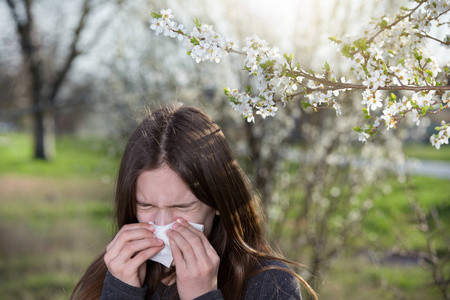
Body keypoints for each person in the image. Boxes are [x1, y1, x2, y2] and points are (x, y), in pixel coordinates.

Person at [70, 104, 316, 300]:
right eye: (146, 206)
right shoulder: (113, 271)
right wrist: (120, 293)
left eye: (182, 207)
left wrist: (202, 296)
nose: (163, 223)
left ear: (218, 201)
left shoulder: (268, 285)